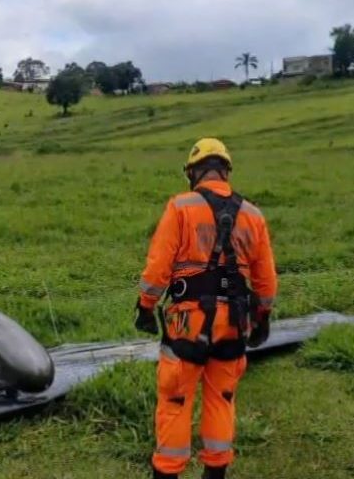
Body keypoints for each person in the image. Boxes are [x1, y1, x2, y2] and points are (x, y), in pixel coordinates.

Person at [135, 138, 278, 479]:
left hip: (188, 322)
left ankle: (168, 472)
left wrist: (145, 306)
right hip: (233, 322)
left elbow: (158, 267)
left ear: (193, 172)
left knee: (175, 401)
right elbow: (266, 278)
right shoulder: (253, 215)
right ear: (225, 171)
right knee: (221, 397)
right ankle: (215, 473)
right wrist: (263, 317)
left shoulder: (181, 207)